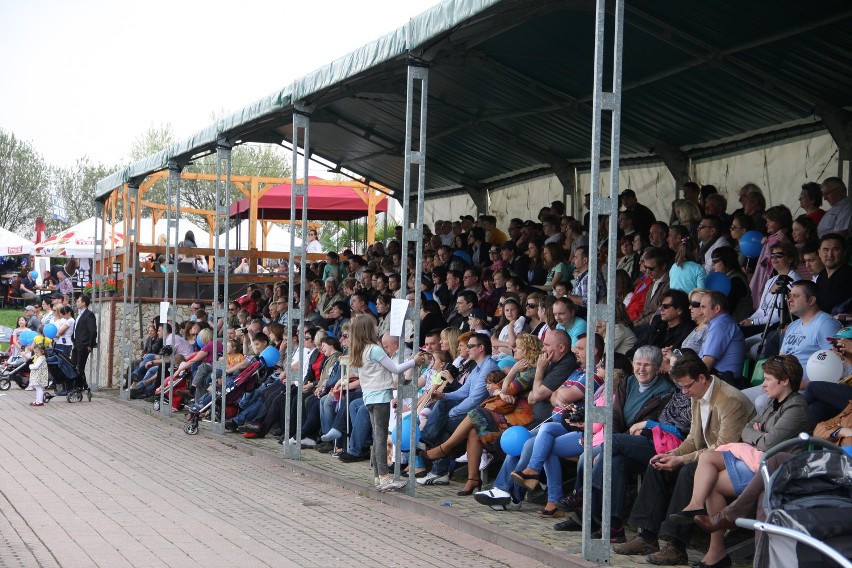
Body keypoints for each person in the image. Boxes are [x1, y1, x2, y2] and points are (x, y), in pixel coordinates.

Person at [613, 356, 755, 565]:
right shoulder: (696, 393)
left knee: (689, 471)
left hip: (731, 460)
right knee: (658, 464)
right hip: (708, 456)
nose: (684, 392)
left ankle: (676, 546)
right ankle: (647, 536)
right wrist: (674, 454)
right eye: (681, 387)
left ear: (701, 378)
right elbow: (693, 439)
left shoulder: (730, 400)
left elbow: (724, 447)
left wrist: (682, 460)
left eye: (687, 386)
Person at [673, 354, 811, 568]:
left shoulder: (796, 408)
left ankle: (716, 551)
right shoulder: (772, 403)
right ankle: (696, 506)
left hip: (777, 469)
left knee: (713, 483)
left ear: (784, 381)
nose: (762, 385)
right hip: (756, 460)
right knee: (708, 458)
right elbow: (748, 429)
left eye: (767, 379)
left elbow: (767, 443)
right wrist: (759, 434)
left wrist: (757, 434)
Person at [417, 334, 498, 487]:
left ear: (481, 348)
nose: (468, 349)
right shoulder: (477, 367)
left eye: (471, 346)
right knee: (442, 404)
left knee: (444, 422)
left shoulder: (489, 367)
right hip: (469, 411)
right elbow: (463, 392)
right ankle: (430, 451)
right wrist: (443, 395)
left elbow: (475, 400)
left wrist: (453, 412)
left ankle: (438, 468)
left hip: (479, 415)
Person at [779, 280, 841, 377]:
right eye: (790, 296)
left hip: (806, 388)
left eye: (796, 296)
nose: (790, 300)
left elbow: (837, 364)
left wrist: (804, 384)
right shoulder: (792, 326)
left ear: (811, 300)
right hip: (782, 383)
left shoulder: (826, 324)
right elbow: (781, 357)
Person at [698, 291, 745, 378]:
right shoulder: (720, 323)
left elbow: (706, 364)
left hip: (722, 381)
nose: (700, 312)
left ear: (717, 308)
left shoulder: (721, 325)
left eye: (703, 307)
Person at [814, 233, 852, 314]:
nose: (830, 255)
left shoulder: (848, 275)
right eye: (825, 250)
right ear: (819, 253)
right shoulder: (822, 274)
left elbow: (828, 305)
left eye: (835, 250)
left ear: (844, 252)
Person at [71, 294, 97, 386]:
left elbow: (93, 331)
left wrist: (90, 344)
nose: (76, 303)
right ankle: (82, 384)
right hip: (76, 344)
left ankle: (79, 386)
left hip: (83, 345)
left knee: (80, 366)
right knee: (73, 365)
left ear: (84, 303)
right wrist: (73, 339)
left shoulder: (89, 315)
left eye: (78, 301)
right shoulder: (79, 314)